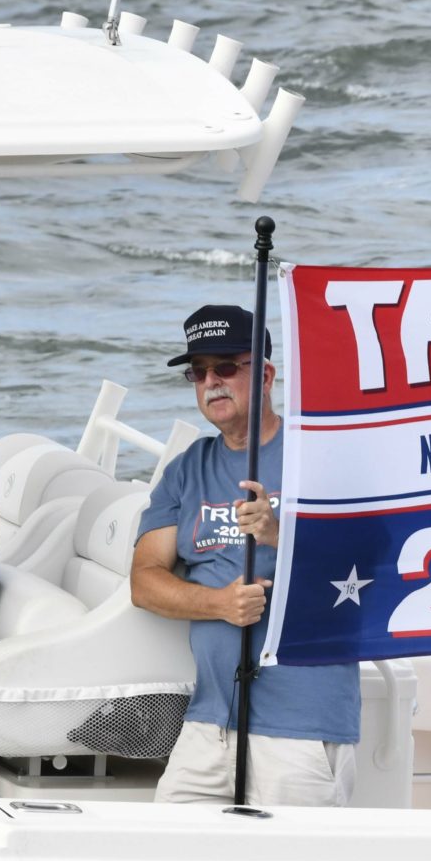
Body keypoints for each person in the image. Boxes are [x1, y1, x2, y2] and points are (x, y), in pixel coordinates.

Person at [131, 303, 359, 805]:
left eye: (227, 367)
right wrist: (217, 604)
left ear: (266, 375)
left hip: (302, 722)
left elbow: (369, 571)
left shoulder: (320, 455)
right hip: (211, 721)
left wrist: (280, 534)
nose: (211, 381)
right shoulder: (187, 469)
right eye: (199, 371)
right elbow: (144, 580)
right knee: (169, 858)